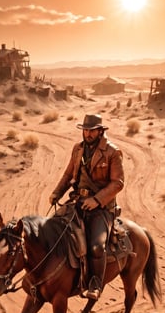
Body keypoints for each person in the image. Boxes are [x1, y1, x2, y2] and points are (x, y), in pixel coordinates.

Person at [49, 114, 124, 300]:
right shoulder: (78, 149)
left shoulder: (113, 152)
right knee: (50, 232)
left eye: (92, 130)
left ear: (100, 131)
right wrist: (57, 193)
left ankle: (95, 283)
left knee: (97, 246)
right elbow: (68, 175)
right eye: (85, 130)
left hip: (101, 208)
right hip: (77, 202)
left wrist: (97, 200)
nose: (88, 134)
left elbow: (118, 183)